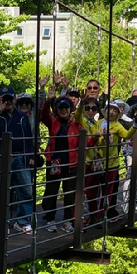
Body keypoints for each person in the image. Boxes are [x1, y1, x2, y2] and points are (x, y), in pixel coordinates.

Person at [0, 86, 36, 235]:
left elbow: (28, 137)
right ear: (0, 100)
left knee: (26, 190)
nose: (8, 102)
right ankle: (4, 223)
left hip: (21, 158)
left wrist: (31, 155)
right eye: (4, 99)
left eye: (10, 98)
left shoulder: (22, 116)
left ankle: (23, 222)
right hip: (1, 159)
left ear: (15, 98)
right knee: (2, 193)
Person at [41, 88, 92, 233]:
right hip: (55, 163)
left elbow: (86, 139)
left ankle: (68, 221)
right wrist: (47, 101)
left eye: (66, 108)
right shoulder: (53, 123)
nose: (63, 110)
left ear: (70, 110)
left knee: (70, 194)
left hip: (71, 164)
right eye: (61, 108)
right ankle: (50, 219)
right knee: (51, 192)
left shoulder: (76, 124)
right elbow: (43, 115)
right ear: (57, 110)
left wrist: (99, 138)